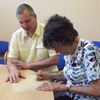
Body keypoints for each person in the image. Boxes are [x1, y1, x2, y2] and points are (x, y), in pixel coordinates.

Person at [36, 14, 100, 100]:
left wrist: (63, 87)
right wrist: (49, 76)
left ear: (69, 36)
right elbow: (72, 75)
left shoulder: (88, 51)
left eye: (57, 46)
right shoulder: (69, 51)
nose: (57, 51)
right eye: (53, 47)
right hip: (70, 96)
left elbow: (97, 90)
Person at [6, 4, 59, 83]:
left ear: (35, 17)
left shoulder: (48, 32)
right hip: (26, 76)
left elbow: (55, 59)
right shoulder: (16, 35)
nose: (25, 25)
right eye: (21, 22)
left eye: (27, 21)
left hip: (47, 76)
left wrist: (28, 65)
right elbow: (11, 59)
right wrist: (13, 70)